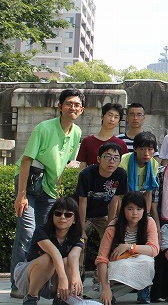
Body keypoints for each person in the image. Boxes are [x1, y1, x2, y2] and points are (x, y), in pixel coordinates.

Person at [11, 88, 84, 299]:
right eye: (68, 103)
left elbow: (62, 164)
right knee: (26, 229)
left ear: (82, 110)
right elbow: (26, 159)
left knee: (44, 234)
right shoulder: (43, 128)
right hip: (29, 184)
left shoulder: (77, 133)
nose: (73, 107)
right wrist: (21, 195)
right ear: (59, 106)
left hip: (49, 188)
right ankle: (18, 282)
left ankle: (38, 281)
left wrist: (58, 189)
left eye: (77, 105)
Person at [14, 197, 84, 305]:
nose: (62, 217)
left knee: (68, 262)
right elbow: (55, 254)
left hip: (54, 279)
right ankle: (31, 297)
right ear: (52, 216)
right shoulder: (41, 231)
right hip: (30, 277)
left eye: (68, 215)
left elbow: (74, 256)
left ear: (74, 219)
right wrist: (63, 278)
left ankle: (61, 297)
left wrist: (76, 275)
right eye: (58, 213)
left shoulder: (77, 236)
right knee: (48, 258)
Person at [75, 142, 128, 286]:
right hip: (83, 214)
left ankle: (101, 278)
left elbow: (114, 200)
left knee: (110, 239)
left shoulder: (120, 174)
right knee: (79, 240)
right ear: (99, 159)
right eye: (108, 157)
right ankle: (77, 278)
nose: (112, 161)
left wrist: (111, 225)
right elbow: (82, 202)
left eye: (116, 158)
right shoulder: (86, 174)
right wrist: (80, 227)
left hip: (102, 214)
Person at [95, 191, 160, 305]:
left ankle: (143, 290)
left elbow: (154, 249)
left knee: (147, 261)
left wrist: (128, 247)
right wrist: (105, 287)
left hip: (139, 262)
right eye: (130, 209)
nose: (135, 213)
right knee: (120, 267)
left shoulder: (149, 222)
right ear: (123, 209)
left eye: (139, 209)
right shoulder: (113, 227)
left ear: (144, 210)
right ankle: (110, 291)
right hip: (118, 264)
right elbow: (102, 259)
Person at [119, 132, 160, 219]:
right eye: (142, 149)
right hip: (122, 199)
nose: (146, 153)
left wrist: (147, 215)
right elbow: (118, 194)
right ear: (135, 149)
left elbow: (148, 192)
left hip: (139, 202)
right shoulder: (123, 162)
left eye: (150, 149)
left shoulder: (154, 164)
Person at [77, 103, 128, 170]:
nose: (112, 119)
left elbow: (123, 169)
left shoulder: (121, 144)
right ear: (102, 116)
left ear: (118, 121)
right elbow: (82, 168)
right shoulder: (87, 141)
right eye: (110, 115)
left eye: (116, 117)